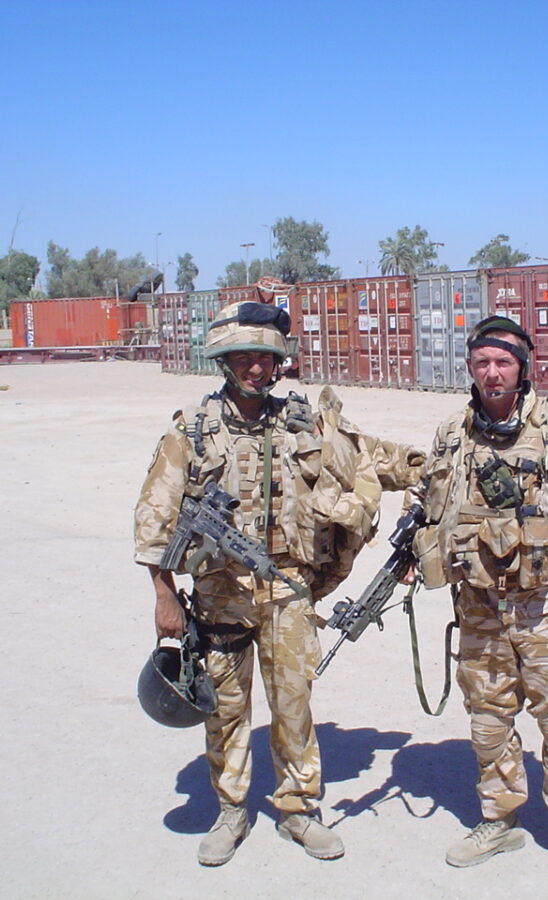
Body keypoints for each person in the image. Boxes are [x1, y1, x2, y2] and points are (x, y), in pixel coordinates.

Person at [134, 301, 422, 867]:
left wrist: (428, 468)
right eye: (243, 357)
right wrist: (165, 595)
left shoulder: (301, 422)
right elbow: (153, 517)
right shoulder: (192, 431)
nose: (256, 369)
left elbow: (366, 457)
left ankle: (297, 810)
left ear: (277, 362)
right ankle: (231, 810)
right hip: (221, 591)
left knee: (294, 703)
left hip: (288, 588)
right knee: (226, 708)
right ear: (225, 362)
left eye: (265, 358)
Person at [404, 315, 548, 888]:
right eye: (482, 362)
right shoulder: (452, 434)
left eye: (503, 362)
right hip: (480, 605)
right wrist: (415, 550)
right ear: (470, 368)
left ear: (522, 368)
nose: (492, 372)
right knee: (488, 722)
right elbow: (425, 501)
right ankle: (501, 819)